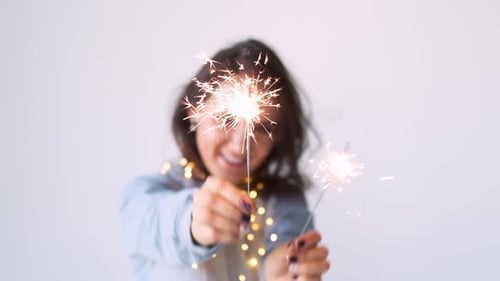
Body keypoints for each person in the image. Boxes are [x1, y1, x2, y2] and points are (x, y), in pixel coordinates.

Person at [119, 39, 330, 281]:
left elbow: (285, 246)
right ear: (194, 110)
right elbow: (158, 225)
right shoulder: (145, 196)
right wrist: (193, 222)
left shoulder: (283, 202)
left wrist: (286, 271)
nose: (241, 146)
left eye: (261, 128)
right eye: (226, 120)